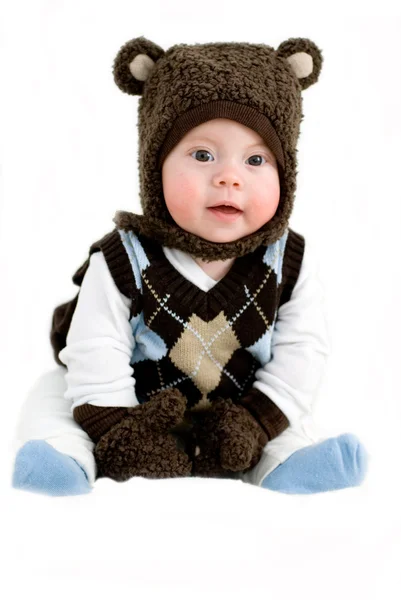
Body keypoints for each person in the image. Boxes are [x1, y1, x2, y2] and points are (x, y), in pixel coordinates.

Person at [11, 35, 369, 496]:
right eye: (202, 155)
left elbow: (303, 355)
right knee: (53, 399)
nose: (228, 176)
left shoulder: (289, 263)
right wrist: (124, 429)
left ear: (287, 173)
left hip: (237, 414)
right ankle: (67, 459)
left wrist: (256, 423)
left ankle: (283, 465)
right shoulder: (123, 259)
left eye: (256, 159)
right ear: (154, 166)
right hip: (131, 406)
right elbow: (94, 354)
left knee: (292, 422)